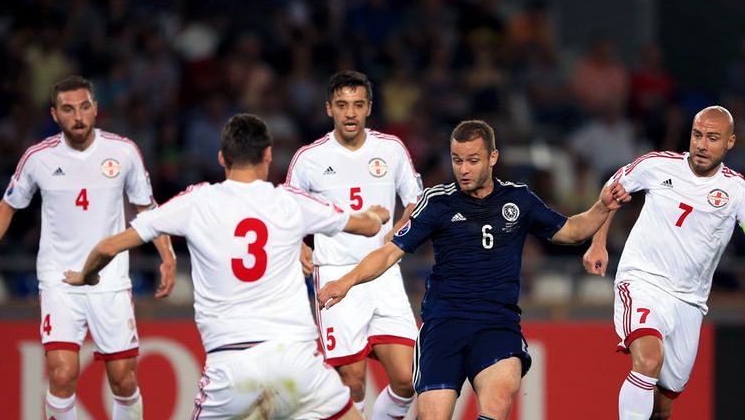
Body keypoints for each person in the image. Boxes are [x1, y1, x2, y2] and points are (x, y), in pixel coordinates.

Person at [63, 113, 388, 419]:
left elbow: (108, 246)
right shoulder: (290, 201)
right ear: (268, 155)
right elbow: (367, 225)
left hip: (231, 367)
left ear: (222, 158)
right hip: (296, 359)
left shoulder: (197, 202)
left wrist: (85, 275)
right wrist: (377, 215)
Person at [318, 119, 628, 420]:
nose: (463, 169)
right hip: (444, 324)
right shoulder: (437, 202)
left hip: (497, 323)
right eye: (457, 160)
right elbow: (388, 253)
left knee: (501, 393)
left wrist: (601, 207)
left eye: (473, 160)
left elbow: (572, 231)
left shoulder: (518, 199)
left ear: (493, 157)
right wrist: (346, 281)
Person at [0, 75, 177, 420]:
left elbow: (146, 208)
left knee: (124, 380)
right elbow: (8, 204)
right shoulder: (38, 158)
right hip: (59, 279)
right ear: (55, 115)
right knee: (62, 373)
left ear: (96, 108)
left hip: (110, 279)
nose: (79, 116)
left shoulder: (123, 151)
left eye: (85, 107)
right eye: (68, 109)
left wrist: (167, 255)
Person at [582, 105, 745, 420]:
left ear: (730, 142)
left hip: (690, 301)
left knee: (664, 402)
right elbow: (612, 190)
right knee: (647, 360)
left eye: (712, 138)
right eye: (697, 135)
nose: (701, 144)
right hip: (642, 281)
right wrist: (597, 243)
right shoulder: (656, 165)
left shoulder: (737, 191)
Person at [286, 70, 423, 418]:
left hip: (383, 274)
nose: (350, 113)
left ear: (369, 108)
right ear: (328, 108)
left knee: (408, 379)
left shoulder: (390, 149)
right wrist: (299, 244)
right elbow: (287, 210)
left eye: (358, 105)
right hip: (335, 273)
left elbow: (416, 199)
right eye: (342, 105)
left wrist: (402, 227)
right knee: (352, 379)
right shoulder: (309, 158)